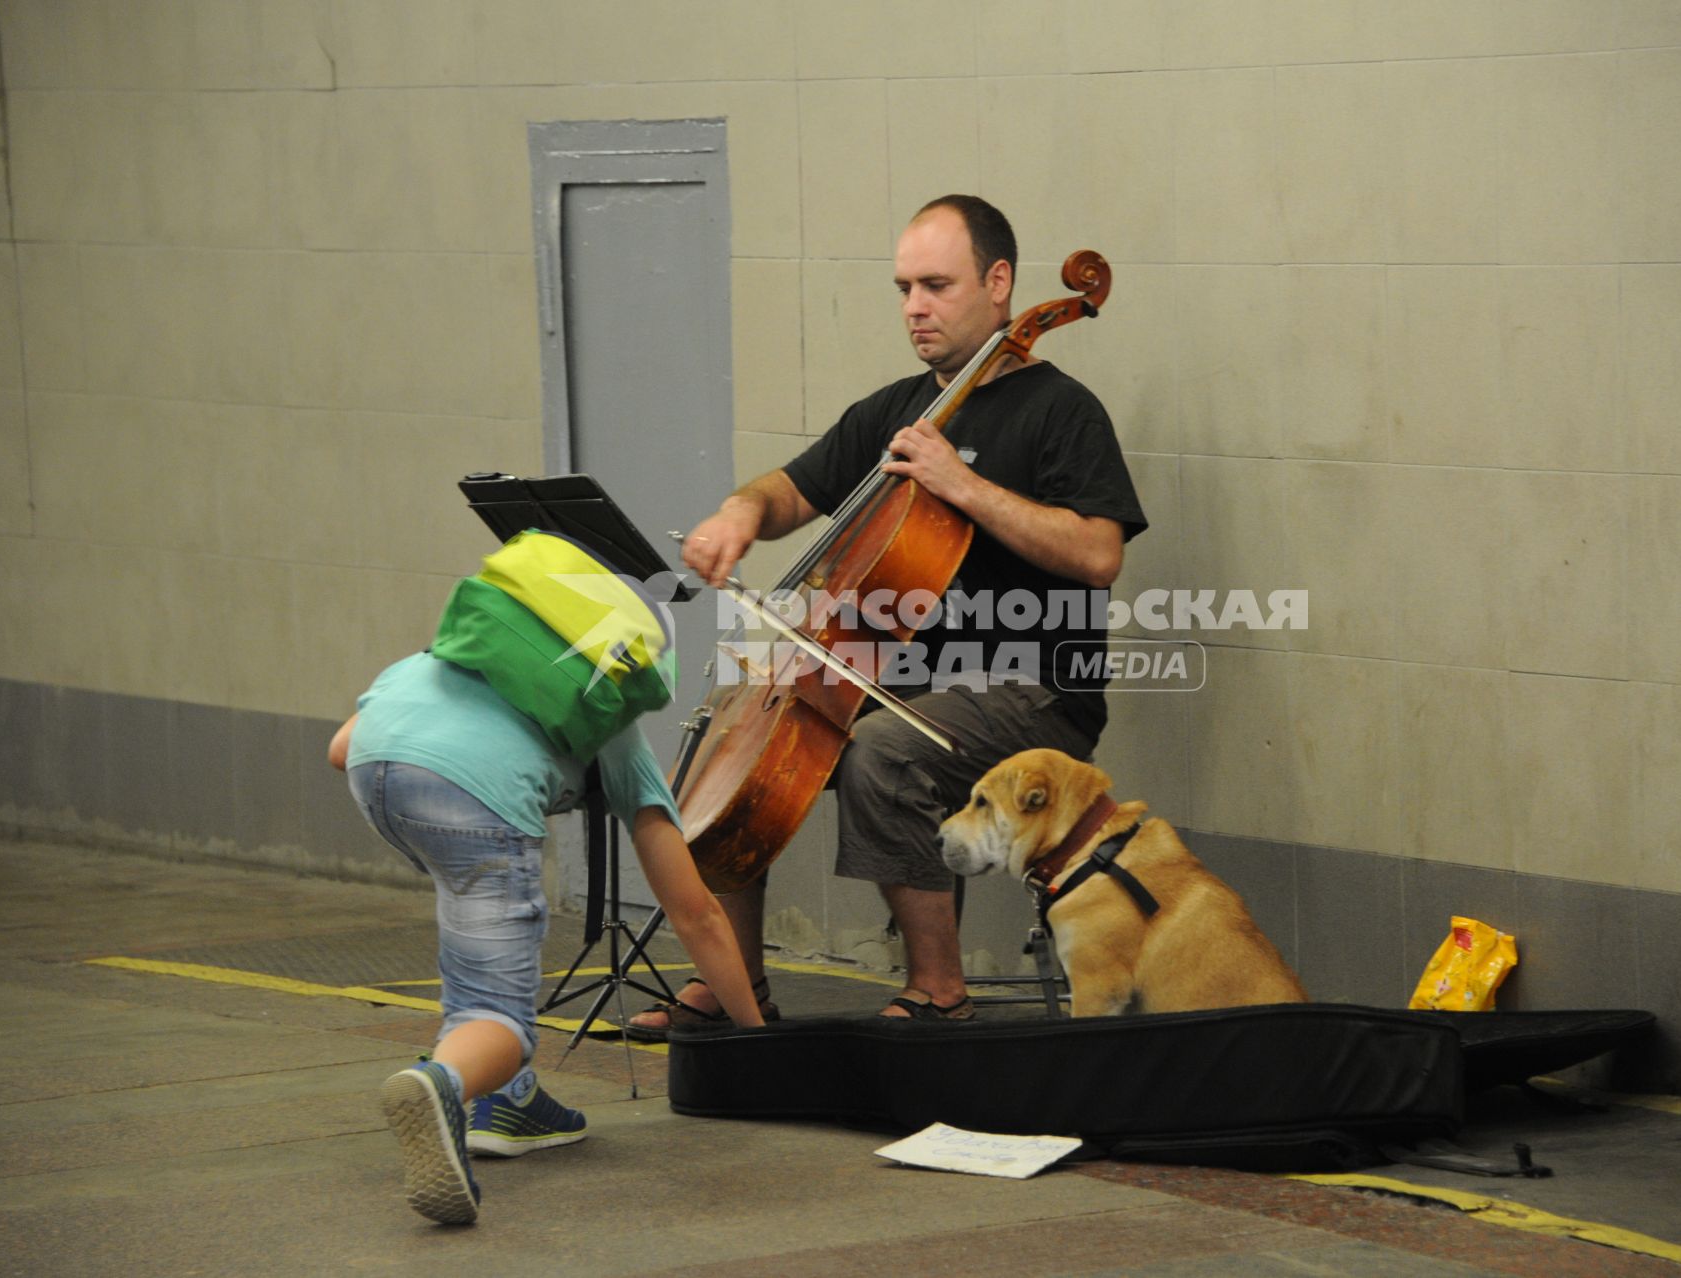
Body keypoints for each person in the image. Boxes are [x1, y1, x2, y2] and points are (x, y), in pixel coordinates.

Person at [628, 194, 1146, 1033]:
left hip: (1032, 691)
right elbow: (789, 490)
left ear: (1001, 283)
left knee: (883, 751)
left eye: (936, 285)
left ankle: (939, 992)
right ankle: (736, 988)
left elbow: (1098, 554)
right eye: (905, 287)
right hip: (895, 676)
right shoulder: (897, 411)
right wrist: (738, 515)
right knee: (730, 738)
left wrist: (960, 483)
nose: (915, 307)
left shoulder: (1062, 411)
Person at [327, 651, 763, 1225]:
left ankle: (509, 1098)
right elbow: (696, 915)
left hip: (379, 779)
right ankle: (445, 1082)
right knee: (499, 1012)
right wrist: (760, 1045)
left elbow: (340, 748)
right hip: (476, 801)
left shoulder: (444, 658)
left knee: (474, 940)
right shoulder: (612, 724)